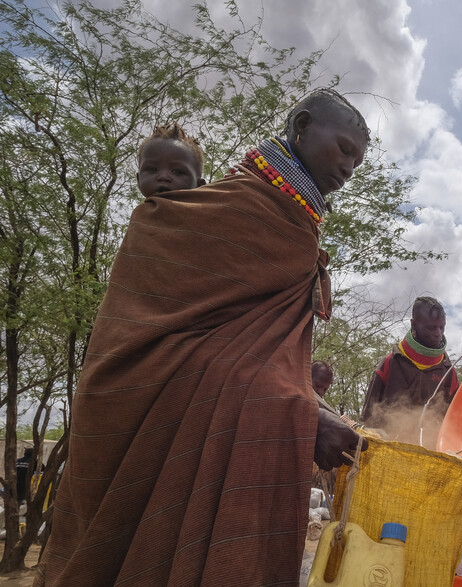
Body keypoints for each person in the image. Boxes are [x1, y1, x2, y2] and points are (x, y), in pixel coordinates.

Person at [36, 88, 371, 587]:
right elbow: (158, 351)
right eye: (343, 148)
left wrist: (307, 398)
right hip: (131, 411)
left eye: (358, 159)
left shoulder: (290, 221)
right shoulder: (185, 218)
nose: (349, 166)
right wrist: (300, 412)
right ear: (301, 126)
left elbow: (242, 349)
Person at [360, 296, 459, 448]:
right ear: (414, 324)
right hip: (388, 451)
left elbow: (454, 421)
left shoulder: (448, 371)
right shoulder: (391, 362)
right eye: (431, 327)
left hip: (431, 454)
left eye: (442, 327)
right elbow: (368, 416)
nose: (438, 333)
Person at [136, 122, 206, 197]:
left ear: (199, 186)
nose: (163, 177)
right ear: (139, 180)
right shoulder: (141, 209)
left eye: (177, 172)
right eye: (152, 169)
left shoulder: (211, 208)